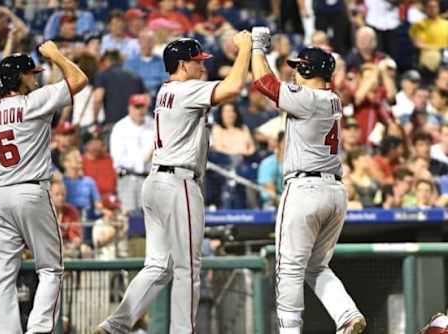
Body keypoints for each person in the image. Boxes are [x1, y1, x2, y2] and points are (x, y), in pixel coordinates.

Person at [96, 32, 252, 334]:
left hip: (156, 182)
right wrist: (244, 48)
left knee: (157, 265)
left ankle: (115, 325)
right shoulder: (185, 89)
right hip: (179, 182)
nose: (202, 66)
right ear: (182, 65)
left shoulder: (167, 91)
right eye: (197, 62)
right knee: (187, 267)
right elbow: (233, 87)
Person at [250, 27, 366, 334]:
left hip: (305, 189)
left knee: (289, 267)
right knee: (316, 266)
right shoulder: (333, 99)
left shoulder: (310, 98)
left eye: (297, 67)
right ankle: (346, 314)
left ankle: (289, 332)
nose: (293, 74)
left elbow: (264, 82)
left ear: (306, 69)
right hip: (334, 191)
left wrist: (257, 47)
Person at [0, 42, 87, 333]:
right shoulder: (32, 102)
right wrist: (56, 55)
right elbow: (79, 80)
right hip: (31, 190)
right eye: (31, 74)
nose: (35, 79)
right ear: (18, 78)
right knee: (51, 268)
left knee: (3, 277)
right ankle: (37, 330)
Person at [110, 94, 153, 212]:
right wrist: (143, 160)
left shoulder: (154, 125)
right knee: (128, 219)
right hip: (128, 178)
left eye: (142, 107)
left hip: (150, 179)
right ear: (130, 108)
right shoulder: (120, 127)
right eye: (137, 107)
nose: (140, 110)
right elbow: (118, 159)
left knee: (153, 218)